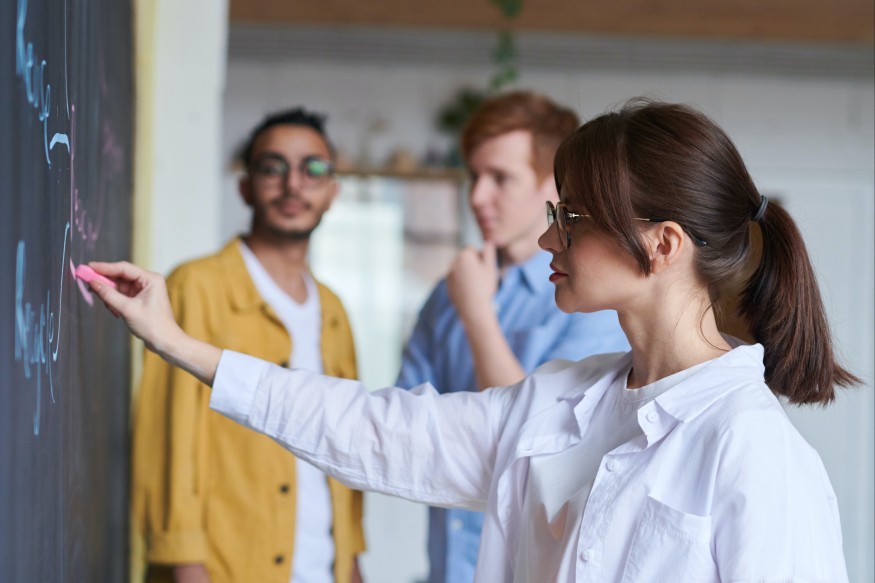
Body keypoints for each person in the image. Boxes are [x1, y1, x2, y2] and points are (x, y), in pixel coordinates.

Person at [91, 98, 858, 582]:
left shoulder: (754, 451)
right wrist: (180, 343)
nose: (549, 237)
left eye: (572, 218)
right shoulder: (558, 398)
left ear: (661, 244)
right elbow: (373, 427)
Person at [396, 91, 629, 583]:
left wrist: (477, 314)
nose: (478, 196)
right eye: (474, 176)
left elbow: (542, 443)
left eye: (500, 178)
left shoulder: (593, 299)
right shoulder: (448, 292)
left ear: (552, 185)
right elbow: (408, 424)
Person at [130, 108, 364, 583]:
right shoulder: (196, 286)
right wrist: (184, 564)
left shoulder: (334, 310)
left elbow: (346, 439)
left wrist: (353, 559)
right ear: (245, 187)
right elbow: (167, 438)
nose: (293, 185)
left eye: (312, 169)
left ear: (332, 191)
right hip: (226, 570)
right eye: (273, 167)